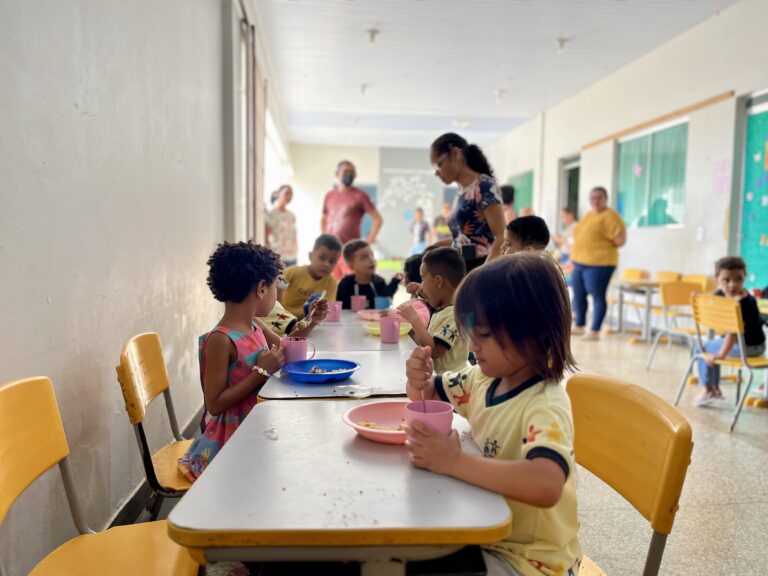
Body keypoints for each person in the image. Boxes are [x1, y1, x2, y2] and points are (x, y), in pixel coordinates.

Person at [404, 253, 581, 575]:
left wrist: (454, 462)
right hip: (484, 530)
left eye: (484, 334)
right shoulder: (483, 379)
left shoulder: (545, 404)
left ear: (533, 332)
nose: (472, 346)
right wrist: (418, 378)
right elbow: (428, 394)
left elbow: (546, 484)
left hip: (528, 560)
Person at [178, 242, 285, 482]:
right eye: (275, 286)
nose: (277, 294)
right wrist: (260, 372)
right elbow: (214, 404)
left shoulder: (256, 325)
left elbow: (284, 348)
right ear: (260, 289)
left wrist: (312, 322)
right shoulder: (221, 339)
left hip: (257, 424)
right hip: (231, 439)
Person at [695, 256, 766, 406]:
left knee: (702, 348)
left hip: (748, 348)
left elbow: (733, 334)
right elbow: (709, 303)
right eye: (726, 280)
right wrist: (699, 298)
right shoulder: (720, 295)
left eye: (738, 279)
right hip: (747, 345)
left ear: (744, 278)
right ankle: (713, 387)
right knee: (709, 347)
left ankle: (708, 389)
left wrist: (721, 354)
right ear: (717, 279)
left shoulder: (744, 302)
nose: (732, 284)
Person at [430, 133, 505, 271]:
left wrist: (481, 274)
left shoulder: (484, 185)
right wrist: (435, 247)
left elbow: (501, 236)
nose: (437, 173)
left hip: (480, 268)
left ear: (455, 153)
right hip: (463, 267)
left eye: (439, 165)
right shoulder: (461, 193)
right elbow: (465, 239)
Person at [398, 247, 468, 374]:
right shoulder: (442, 311)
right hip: (439, 380)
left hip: (451, 386)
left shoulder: (454, 315)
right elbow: (426, 343)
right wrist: (411, 333)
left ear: (438, 281)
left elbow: (434, 351)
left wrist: (414, 319)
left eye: (423, 279)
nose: (422, 286)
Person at [569, 186, 627, 341]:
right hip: (580, 262)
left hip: (600, 263)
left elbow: (620, 239)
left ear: (605, 199)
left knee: (597, 295)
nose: (596, 201)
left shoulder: (610, 216)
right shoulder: (589, 215)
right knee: (579, 295)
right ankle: (580, 325)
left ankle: (594, 330)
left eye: (599, 197)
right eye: (592, 198)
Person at [321, 160, 383, 280]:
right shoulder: (329, 195)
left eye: (352, 172)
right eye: (345, 171)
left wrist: (366, 244)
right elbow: (324, 218)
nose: (349, 174)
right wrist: (324, 238)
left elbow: (378, 220)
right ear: (337, 174)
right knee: (332, 286)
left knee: (351, 286)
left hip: (350, 251)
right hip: (331, 250)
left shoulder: (360, 195)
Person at [282, 234, 341, 318]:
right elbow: (274, 286)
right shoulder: (293, 272)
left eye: (332, 261)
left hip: (311, 321)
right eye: (321, 257)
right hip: (284, 318)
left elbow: (326, 309)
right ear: (310, 256)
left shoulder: (331, 282)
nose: (327, 264)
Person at [337, 239, 401, 310]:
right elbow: (340, 308)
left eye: (372, 255)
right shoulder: (345, 284)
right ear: (351, 266)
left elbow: (385, 302)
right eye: (364, 257)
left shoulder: (379, 282)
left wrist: (394, 283)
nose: (371, 260)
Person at [263, 274, 328, 337]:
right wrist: (312, 321)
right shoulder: (271, 308)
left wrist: (312, 319)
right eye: (277, 282)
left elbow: (283, 341)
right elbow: (283, 344)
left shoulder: (258, 320)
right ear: (261, 288)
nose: (280, 285)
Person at [265, 185, 298, 267]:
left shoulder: (291, 215)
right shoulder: (271, 214)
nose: (289, 196)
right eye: (287, 193)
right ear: (278, 194)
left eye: (291, 194)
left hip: (292, 257)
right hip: (277, 257)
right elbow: (266, 238)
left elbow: (294, 236)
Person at [552, 207, 577, 272]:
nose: (562, 219)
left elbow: (573, 243)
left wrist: (559, 239)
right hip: (564, 255)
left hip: (570, 256)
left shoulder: (576, 227)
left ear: (570, 215)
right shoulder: (567, 227)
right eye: (561, 217)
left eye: (563, 216)